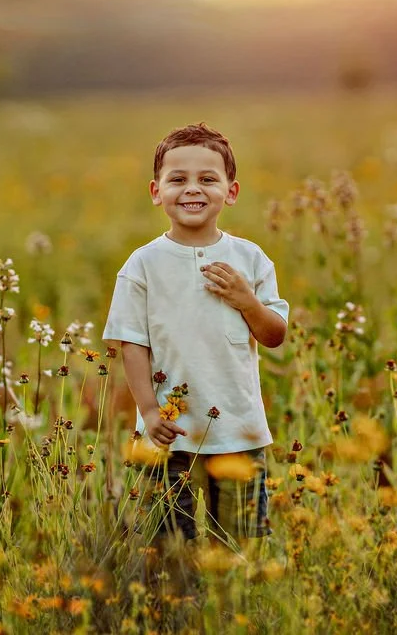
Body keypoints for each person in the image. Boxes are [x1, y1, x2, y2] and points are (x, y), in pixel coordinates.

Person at [102, 122, 289, 545]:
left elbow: (275, 334)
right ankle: (178, 607)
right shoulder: (143, 264)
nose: (193, 189)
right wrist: (149, 412)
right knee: (168, 542)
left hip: (238, 429)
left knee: (241, 541)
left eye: (207, 179)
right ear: (156, 192)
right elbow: (132, 344)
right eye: (177, 179)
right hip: (169, 431)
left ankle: (234, 609)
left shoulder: (249, 258)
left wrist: (247, 301)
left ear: (231, 191)